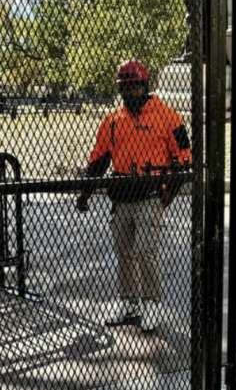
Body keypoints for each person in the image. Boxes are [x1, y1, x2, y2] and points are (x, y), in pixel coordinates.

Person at [76, 60, 192, 333]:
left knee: (146, 250)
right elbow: (99, 160)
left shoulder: (168, 117)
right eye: (125, 88)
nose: (131, 93)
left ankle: (151, 305)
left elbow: (184, 158)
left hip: (151, 193)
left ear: (145, 86)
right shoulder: (113, 120)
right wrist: (86, 194)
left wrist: (168, 194)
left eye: (135, 86)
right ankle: (130, 305)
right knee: (125, 252)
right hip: (122, 195)